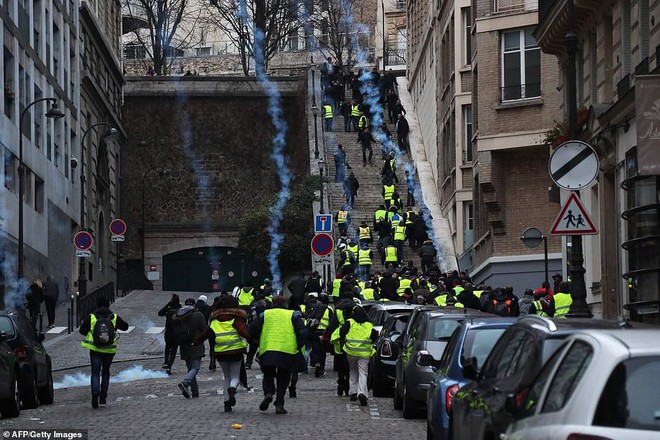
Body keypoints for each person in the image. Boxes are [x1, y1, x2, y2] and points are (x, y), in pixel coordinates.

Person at [249, 296, 307, 415]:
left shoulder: (264, 315)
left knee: (268, 374)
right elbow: (302, 332)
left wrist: (258, 341)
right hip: (287, 350)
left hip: (268, 349)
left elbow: (251, 330)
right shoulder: (293, 315)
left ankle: (268, 393)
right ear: (285, 304)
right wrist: (298, 345)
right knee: (284, 377)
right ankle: (279, 404)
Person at [195, 295, 250, 412]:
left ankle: (226, 403)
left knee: (226, 377)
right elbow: (244, 332)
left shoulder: (215, 321)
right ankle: (232, 388)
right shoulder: (236, 319)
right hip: (236, 351)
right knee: (235, 376)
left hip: (220, 353)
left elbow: (205, 334)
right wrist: (254, 340)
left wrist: (195, 342)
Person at [79, 297, 129, 408]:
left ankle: (94, 396)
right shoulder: (114, 317)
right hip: (109, 350)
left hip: (95, 349)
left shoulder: (92, 317)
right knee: (106, 372)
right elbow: (125, 327)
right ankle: (103, 397)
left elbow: (82, 331)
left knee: (95, 373)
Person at [339, 306, 378, 406]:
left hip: (351, 351)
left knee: (353, 371)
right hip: (364, 352)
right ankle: (362, 393)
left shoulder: (350, 322)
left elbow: (342, 332)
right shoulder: (369, 324)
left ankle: (353, 392)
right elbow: (374, 336)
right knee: (363, 373)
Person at [173, 298, 207, 400]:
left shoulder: (179, 316)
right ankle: (185, 382)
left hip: (184, 345)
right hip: (196, 344)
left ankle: (194, 391)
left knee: (190, 368)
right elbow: (204, 329)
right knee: (195, 368)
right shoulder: (198, 315)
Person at [158, 294, 182, 374]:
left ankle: (166, 362)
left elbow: (160, 313)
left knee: (167, 347)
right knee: (174, 350)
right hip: (177, 333)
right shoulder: (181, 310)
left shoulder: (168, 310)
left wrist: (168, 304)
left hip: (168, 332)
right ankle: (169, 366)